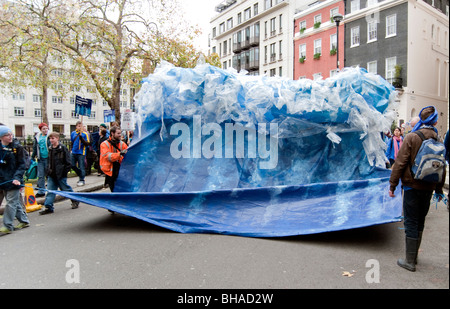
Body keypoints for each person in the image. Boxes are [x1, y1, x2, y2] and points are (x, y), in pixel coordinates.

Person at [389, 106, 446, 272]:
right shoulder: (438, 139)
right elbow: (442, 167)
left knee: (411, 221)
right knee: (420, 220)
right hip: (428, 186)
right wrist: (439, 190)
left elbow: (400, 163)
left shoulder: (412, 137)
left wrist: (393, 185)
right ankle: (414, 256)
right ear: (434, 120)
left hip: (411, 185)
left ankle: (410, 260)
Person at [39, 132, 79, 215]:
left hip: (61, 174)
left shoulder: (63, 148)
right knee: (50, 190)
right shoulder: (50, 148)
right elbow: (49, 161)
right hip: (52, 174)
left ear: (57, 138)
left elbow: (68, 162)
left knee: (65, 189)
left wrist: (64, 172)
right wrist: (48, 171)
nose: (51, 140)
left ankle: (75, 200)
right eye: (50, 138)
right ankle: (48, 206)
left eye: (53, 138)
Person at [0, 126, 30, 235]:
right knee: (15, 202)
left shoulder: (17, 148)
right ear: (1, 137)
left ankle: (7, 225)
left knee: (11, 203)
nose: (10, 137)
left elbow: (22, 164)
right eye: (7, 135)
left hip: (14, 180)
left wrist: (17, 178)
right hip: (3, 180)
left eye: (11, 134)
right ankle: (24, 221)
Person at [100, 126, 128, 192]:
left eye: (120, 133)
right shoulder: (104, 144)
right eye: (118, 133)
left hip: (120, 169)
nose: (120, 135)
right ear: (112, 133)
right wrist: (120, 154)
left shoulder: (122, 144)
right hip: (110, 170)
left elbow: (128, 155)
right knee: (113, 189)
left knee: (120, 189)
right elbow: (108, 157)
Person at [31, 123, 51, 197]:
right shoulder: (38, 137)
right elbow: (35, 148)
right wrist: (33, 157)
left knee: (49, 174)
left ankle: (50, 190)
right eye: (44, 129)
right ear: (40, 130)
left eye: (46, 128)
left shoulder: (49, 136)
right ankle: (41, 191)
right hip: (40, 158)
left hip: (48, 158)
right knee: (40, 175)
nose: (45, 130)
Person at [70, 121, 90, 187]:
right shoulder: (73, 133)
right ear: (76, 126)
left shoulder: (84, 134)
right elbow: (72, 142)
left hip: (81, 152)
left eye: (81, 126)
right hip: (74, 151)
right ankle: (80, 173)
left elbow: (87, 143)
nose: (80, 127)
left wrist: (82, 139)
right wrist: (71, 149)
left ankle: (82, 179)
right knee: (72, 164)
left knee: (81, 166)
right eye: (79, 126)